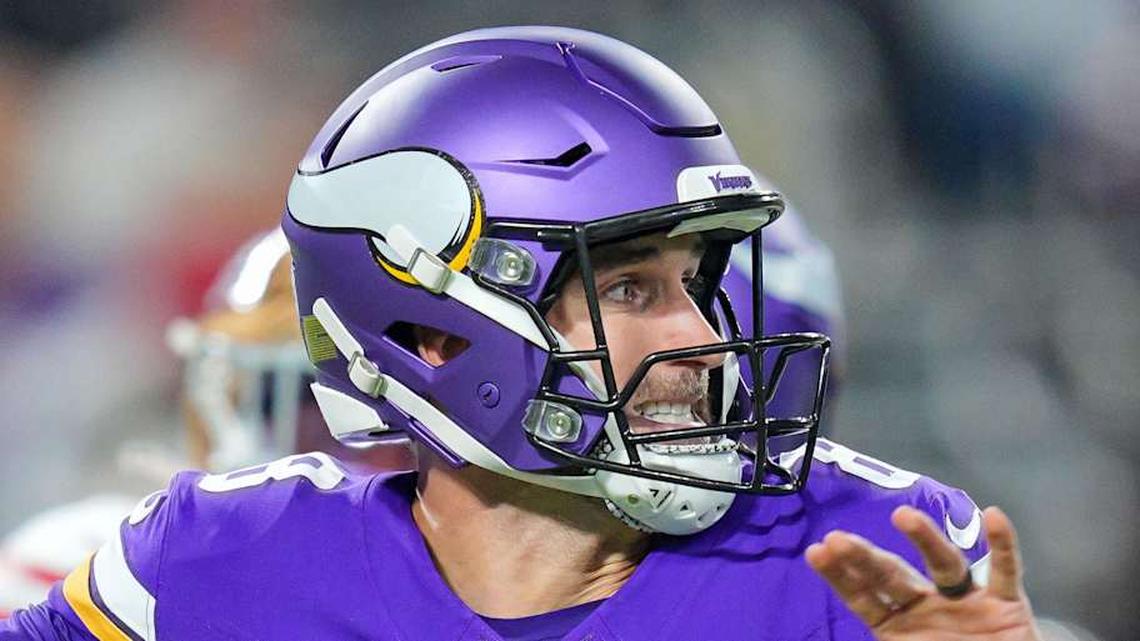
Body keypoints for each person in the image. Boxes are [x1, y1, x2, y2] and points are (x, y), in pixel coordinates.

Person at [0, 27, 1041, 640]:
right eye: (631, 290)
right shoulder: (220, 561)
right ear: (435, 332)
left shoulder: (864, 558)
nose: (710, 344)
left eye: (701, 285)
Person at [0, 228, 413, 618]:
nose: (363, 445)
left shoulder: (457, 589)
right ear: (221, 397)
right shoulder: (100, 564)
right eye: (306, 393)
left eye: (396, 411)